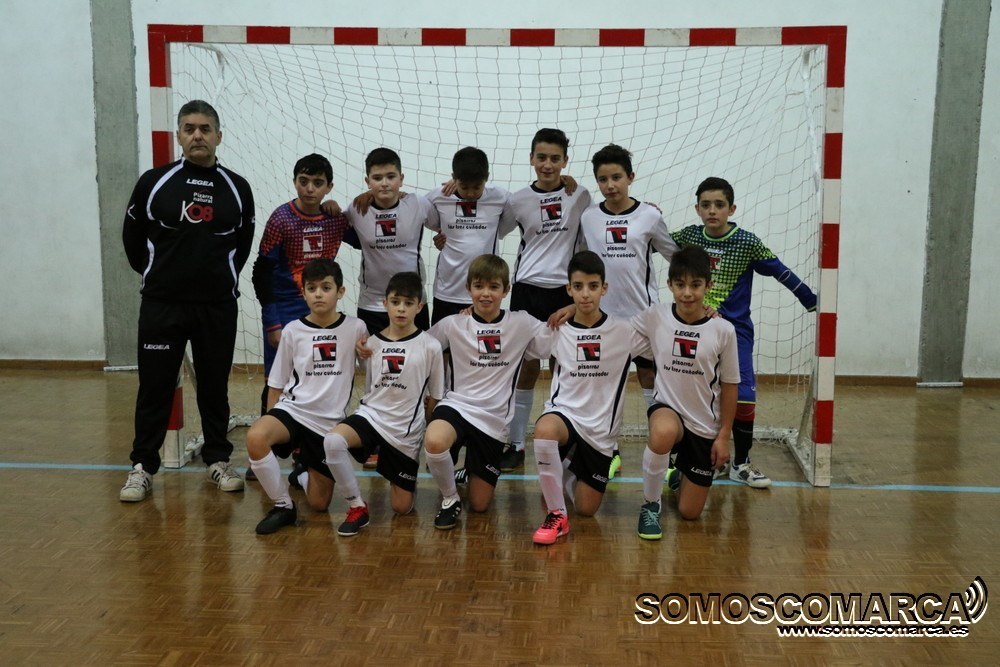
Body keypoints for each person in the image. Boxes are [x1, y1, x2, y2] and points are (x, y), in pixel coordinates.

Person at [120, 99, 254, 502]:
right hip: (162, 306)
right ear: (179, 135)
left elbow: (242, 246)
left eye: (205, 128)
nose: (198, 135)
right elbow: (132, 240)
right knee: (155, 387)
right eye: (190, 128)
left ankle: (217, 460)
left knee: (214, 387)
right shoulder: (153, 182)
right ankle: (143, 467)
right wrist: (160, 277)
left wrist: (216, 281)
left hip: (216, 307)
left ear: (218, 136)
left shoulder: (237, 188)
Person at [672, 177, 817, 488]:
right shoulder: (688, 236)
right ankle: (704, 459)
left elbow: (779, 270)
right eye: (706, 205)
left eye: (719, 205)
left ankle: (741, 463)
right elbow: (651, 239)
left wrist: (811, 299)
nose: (712, 210)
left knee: (744, 396)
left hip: (735, 332)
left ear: (732, 208)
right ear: (697, 209)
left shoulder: (746, 242)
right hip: (696, 330)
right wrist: (646, 212)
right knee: (699, 395)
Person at [572, 143, 678, 477]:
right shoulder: (589, 218)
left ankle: (663, 453)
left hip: (643, 317)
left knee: (651, 380)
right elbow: (581, 263)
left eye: (616, 177)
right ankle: (609, 450)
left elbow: (674, 255)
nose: (610, 185)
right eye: (603, 179)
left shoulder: (650, 216)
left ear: (630, 177)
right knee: (605, 386)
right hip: (603, 321)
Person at [423, 255, 549, 530]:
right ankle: (450, 499)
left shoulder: (522, 323)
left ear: (507, 290)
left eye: (494, 287)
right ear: (468, 288)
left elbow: (558, 339)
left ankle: (469, 471)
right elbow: (419, 348)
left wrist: (573, 309)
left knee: (480, 505)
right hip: (457, 407)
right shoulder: (453, 324)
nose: (486, 294)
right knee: (434, 441)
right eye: (479, 286)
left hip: (493, 421)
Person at [530, 251, 646, 545]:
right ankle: (556, 515)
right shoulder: (556, 329)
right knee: (544, 430)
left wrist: (706, 315)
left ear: (604, 288)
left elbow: (668, 330)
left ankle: (565, 469)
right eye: (578, 287)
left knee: (586, 509)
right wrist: (470, 316)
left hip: (600, 436)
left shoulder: (625, 332)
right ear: (568, 289)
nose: (585, 294)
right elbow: (511, 333)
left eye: (593, 286)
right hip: (565, 417)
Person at [245, 258, 368, 534]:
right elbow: (276, 384)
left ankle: (301, 473)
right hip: (294, 411)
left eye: (326, 287)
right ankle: (283, 506)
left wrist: (367, 353)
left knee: (319, 503)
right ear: (303, 293)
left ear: (340, 292)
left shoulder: (356, 328)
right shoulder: (293, 330)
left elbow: (369, 369)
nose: (318, 294)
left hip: (327, 424)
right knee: (255, 437)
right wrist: (271, 427)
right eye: (311, 288)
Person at [322, 272, 445, 535]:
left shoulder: (431, 346)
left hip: (404, 432)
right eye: (395, 302)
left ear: (419, 307)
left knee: (402, 508)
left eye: (408, 303)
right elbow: (370, 388)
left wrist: (425, 429)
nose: (401, 309)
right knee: (332, 441)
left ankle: (398, 472)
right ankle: (357, 506)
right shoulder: (371, 344)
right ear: (385, 304)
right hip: (372, 416)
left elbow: (435, 395)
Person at [630, 246, 739, 539]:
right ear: (669, 285)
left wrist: (724, 436)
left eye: (695, 285)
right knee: (662, 431)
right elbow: (612, 329)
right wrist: (575, 310)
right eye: (680, 285)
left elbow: (730, 386)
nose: (687, 293)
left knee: (690, 513)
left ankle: (680, 472)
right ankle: (650, 505)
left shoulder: (723, 330)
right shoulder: (656, 316)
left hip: (703, 426)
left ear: (708, 286)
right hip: (667, 410)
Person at [503, 128, 593, 472]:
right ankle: (515, 443)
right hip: (527, 289)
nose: (548, 164)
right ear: (531, 159)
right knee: (525, 368)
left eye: (555, 158)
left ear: (565, 161)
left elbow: (598, 223)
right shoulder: (517, 200)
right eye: (541, 157)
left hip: (563, 291)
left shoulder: (579, 195)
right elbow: (491, 231)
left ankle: (561, 441)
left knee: (562, 366)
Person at [251, 153, 347, 415]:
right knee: (277, 379)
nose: (310, 189)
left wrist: (370, 199)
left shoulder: (336, 219)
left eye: (318, 183)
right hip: (284, 310)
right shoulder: (281, 218)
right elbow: (261, 273)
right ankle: (268, 433)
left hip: (321, 310)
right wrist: (272, 322)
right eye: (303, 181)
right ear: (294, 182)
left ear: (329, 187)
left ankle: (311, 433)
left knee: (317, 372)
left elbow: (368, 235)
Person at [342, 148, 437, 335]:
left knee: (419, 353)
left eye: (391, 177)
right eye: (377, 178)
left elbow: (447, 226)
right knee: (373, 354)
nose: (384, 183)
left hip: (412, 302)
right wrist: (328, 205)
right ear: (367, 182)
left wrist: (456, 183)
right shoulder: (357, 209)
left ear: (401, 179)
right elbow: (329, 224)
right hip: (372, 304)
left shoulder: (417, 204)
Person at [425, 147, 516, 324]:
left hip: (484, 293)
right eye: (464, 187)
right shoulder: (438, 196)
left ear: (487, 178)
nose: (471, 193)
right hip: (447, 291)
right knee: (441, 341)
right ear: (454, 177)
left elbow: (531, 198)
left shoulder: (501, 198)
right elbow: (411, 206)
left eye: (477, 187)